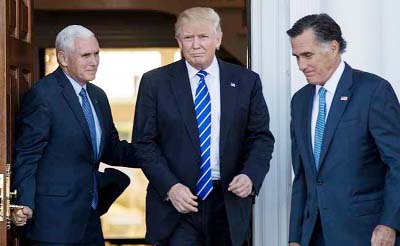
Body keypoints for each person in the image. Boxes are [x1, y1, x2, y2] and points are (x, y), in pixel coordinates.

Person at [132, 7, 274, 246]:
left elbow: (260, 138)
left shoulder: (246, 81)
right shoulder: (154, 83)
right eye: (188, 38)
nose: (196, 44)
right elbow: (144, 143)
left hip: (227, 202)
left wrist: (250, 176)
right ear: (179, 41)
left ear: (218, 39)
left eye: (203, 36)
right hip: (176, 205)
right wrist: (171, 187)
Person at [11, 25, 136, 245]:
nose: (94, 61)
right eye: (86, 55)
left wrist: (155, 151)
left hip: (90, 218)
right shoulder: (44, 95)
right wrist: (23, 203)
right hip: (52, 225)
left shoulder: (98, 95)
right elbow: (27, 155)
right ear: (63, 58)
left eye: (97, 53)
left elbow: (111, 149)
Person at [287, 14, 400, 246]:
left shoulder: (373, 91)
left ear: (333, 47)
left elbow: (397, 163)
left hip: (365, 234)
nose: (301, 65)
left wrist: (390, 223)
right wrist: (295, 237)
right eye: (297, 57)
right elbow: (301, 177)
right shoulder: (300, 101)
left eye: (308, 55)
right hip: (313, 235)